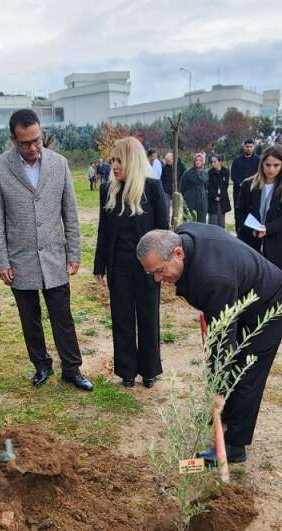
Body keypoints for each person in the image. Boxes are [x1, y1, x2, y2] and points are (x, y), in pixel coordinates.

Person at [137, 224, 282, 465]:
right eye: (152, 274)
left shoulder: (213, 279)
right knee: (228, 369)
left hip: (273, 308)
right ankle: (223, 416)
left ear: (178, 253)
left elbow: (223, 344)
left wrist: (218, 389)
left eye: (160, 271)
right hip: (241, 300)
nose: (158, 280)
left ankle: (233, 447)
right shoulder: (183, 236)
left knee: (245, 372)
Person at [0, 109, 92, 391]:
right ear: (13, 139)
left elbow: (70, 212)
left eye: (37, 140)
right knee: (29, 318)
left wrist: (74, 253)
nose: (33, 148)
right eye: (25, 143)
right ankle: (41, 364)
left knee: (63, 317)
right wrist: (2, 261)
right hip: (20, 259)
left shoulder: (60, 164)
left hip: (55, 255)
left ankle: (72, 368)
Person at [94, 137, 168, 388]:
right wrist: (99, 266)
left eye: (119, 160)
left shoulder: (153, 189)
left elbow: (163, 231)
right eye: (112, 160)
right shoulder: (108, 190)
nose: (113, 165)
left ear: (132, 161)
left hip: (148, 268)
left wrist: (164, 267)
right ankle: (126, 370)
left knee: (148, 317)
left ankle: (149, 369)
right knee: (122, 318)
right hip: (119, 266)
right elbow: (103, 231)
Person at [236, 145, 282, 276]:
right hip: (250, 240)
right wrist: (250, 229)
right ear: (261, 164)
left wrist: (268, 228)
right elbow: (240, 212)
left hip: (276, 241)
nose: (271, 169)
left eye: (276, 165)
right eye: (268, 164)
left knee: (275, 280)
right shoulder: (248, 184)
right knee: (250, 278)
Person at [230, 140, 260, 226]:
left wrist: (251, 184)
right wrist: (241, 184)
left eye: (250, 147)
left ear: (253, 147)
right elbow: (233, 175)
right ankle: (238, 230)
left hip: (253, 190)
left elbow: (259, 174)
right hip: (238, 190)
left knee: (252, 211)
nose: (249, 149)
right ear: (244, 147)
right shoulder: (237, 160)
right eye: (247, 147)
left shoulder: (258, 160)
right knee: (238, 211)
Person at [179, 152, 209, 222]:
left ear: (203, 162)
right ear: (194, 161)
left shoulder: (205, 173)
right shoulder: (188, 172)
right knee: (190, 220)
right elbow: (182, 186)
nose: (198, 162)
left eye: (200, 160)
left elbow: (207, 187)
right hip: (190, 200)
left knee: (201, 222)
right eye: (196, 160)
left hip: (201, 201)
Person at [206, 155, 231, 228]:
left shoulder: (225, 171)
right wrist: (215, 196)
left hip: (222, 199)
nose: (213, 163)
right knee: (213, 220)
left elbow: (225, 185)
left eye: (214, 162)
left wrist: (220, 196)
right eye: (212, 162)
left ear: (220, 162)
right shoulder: (210, 172)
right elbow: (209, 187)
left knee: (221, 219)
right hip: (213, 199)